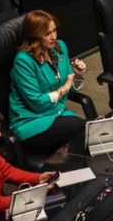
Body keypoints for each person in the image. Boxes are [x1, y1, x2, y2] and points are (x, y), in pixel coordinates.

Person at [9, 10, 87, 155]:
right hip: (32, 121)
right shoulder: (23, 61)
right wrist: (64, 88)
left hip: (57, 113)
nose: (53, 37)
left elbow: (70, 86)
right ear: (35, 36)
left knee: (91, 132)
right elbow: (37, 103)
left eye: (54, 31)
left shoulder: (60, 47)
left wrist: (78, 75)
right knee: (84, 130)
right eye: (47, 34)